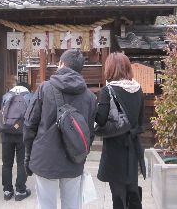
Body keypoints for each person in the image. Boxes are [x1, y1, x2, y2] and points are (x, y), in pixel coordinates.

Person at [24, 49, 97, 209]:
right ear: (80, 68)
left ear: (61, 64)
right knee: (72, 205)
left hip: (45, 158)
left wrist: (28, 154)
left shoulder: (44, 88)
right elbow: (90, 133)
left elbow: (30, 125)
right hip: (74, 158)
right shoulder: (90, 97)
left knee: (46, 205)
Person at [96, 52, 145, 209]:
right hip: (133, 147)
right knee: (132, 190)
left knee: (118, 195)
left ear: (110, 69)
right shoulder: (138, 89)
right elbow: (140, 122)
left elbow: (101, 119)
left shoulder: (107, 91)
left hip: (115, 148)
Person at [0, 81, 32, 201]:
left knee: (6, 163)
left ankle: (7, 191)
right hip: (22, 134)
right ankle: (20, 191)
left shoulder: (6, 96)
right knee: (21, 162)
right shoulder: (29, 96)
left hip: (6, 133)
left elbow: (2, 115)